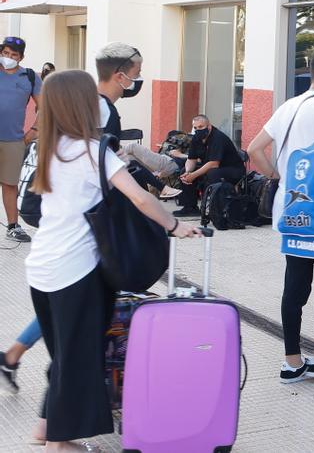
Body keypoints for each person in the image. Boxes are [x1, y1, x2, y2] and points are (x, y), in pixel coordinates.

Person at [26, 70, 200, 450]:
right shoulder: (93, 151)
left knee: (65, 353)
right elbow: (140, 197)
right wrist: (175, 226)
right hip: (76, 272)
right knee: (78, 357)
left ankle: (47, 428)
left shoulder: (47, 148)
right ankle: (60, 441)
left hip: (41, 269)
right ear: (83, 104)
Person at [247, 49, 314, 384]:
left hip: (290, 209)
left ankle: (293, 361)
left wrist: (279, 178)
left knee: (295, 282)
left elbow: (253, 150)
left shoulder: (288, 106)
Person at [94, 43, 161, 195]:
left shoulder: (86, 102)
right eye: (136, 73)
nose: (138, 79)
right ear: (120, 76)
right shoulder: (106, 111)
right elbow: (108, 165)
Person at [0, 36, 40, 242]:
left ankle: (13, 226)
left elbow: (45, 107)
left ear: (21, 57)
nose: (8, 57)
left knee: (9, 183)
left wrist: (33, 131)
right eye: (5, 53)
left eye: (13, 55)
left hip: (13, 140)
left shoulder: (30, 77)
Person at [174, 115, 246, 217]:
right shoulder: (196, 138)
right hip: (212, 168)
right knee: (183, 172)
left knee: (212, 173)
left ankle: (213, 208)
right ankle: (190, 208)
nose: (198, 130)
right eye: (195, 128)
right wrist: (188, 172)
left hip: (233, 169)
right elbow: (191, 159)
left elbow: (214, 163)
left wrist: (193, 175)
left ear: (209, 127)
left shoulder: (218, 138)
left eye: (201, 127)